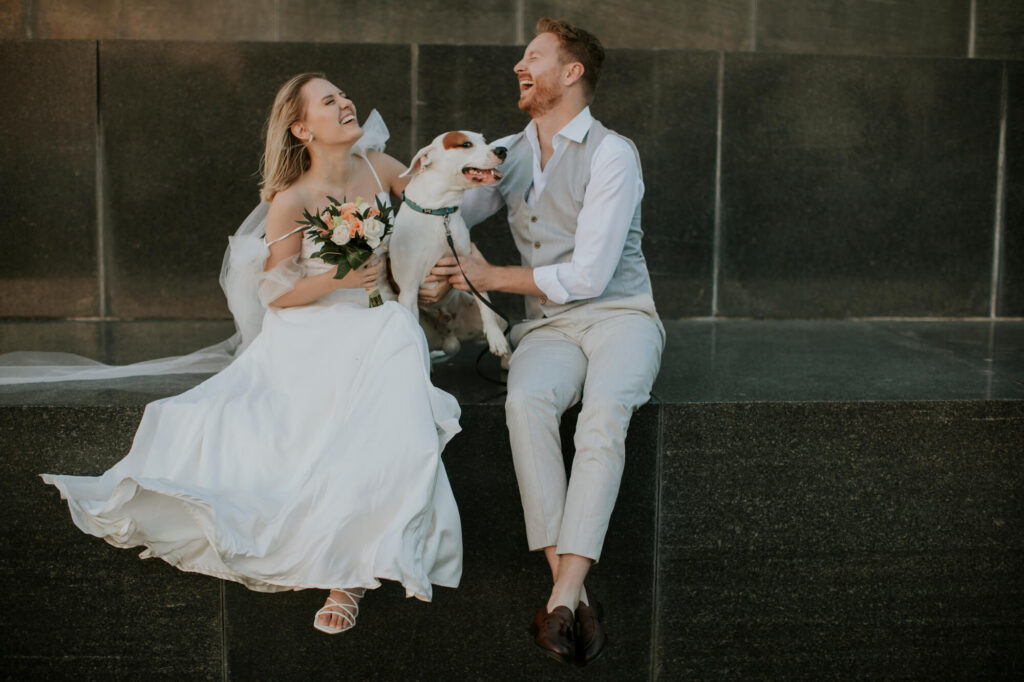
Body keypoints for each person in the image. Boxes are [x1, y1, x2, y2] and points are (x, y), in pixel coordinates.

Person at [38, 73, 463, 635]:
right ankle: (339, 559)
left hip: (377, 315)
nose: (345, 102)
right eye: (329, 101)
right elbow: (275, 291)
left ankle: (351, 572)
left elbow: (433, 211)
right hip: (310, 322)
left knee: (393, 337)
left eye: (344, 94)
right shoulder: (292, 199)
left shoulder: (382, 168)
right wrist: (338, 278)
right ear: (302, 127)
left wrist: (440, 270)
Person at [426, 18, 665, 664]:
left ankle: (559, 596)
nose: (518, 67)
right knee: (524, 404)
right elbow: (448, 209)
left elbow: (589, 275)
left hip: (621, 316)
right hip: (547, 327)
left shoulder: (614, 153)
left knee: (602, 421)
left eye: (533, 57)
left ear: (572, 73)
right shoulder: (507, 152)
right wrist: (412, 200)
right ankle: (571, 598)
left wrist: (490, 276)